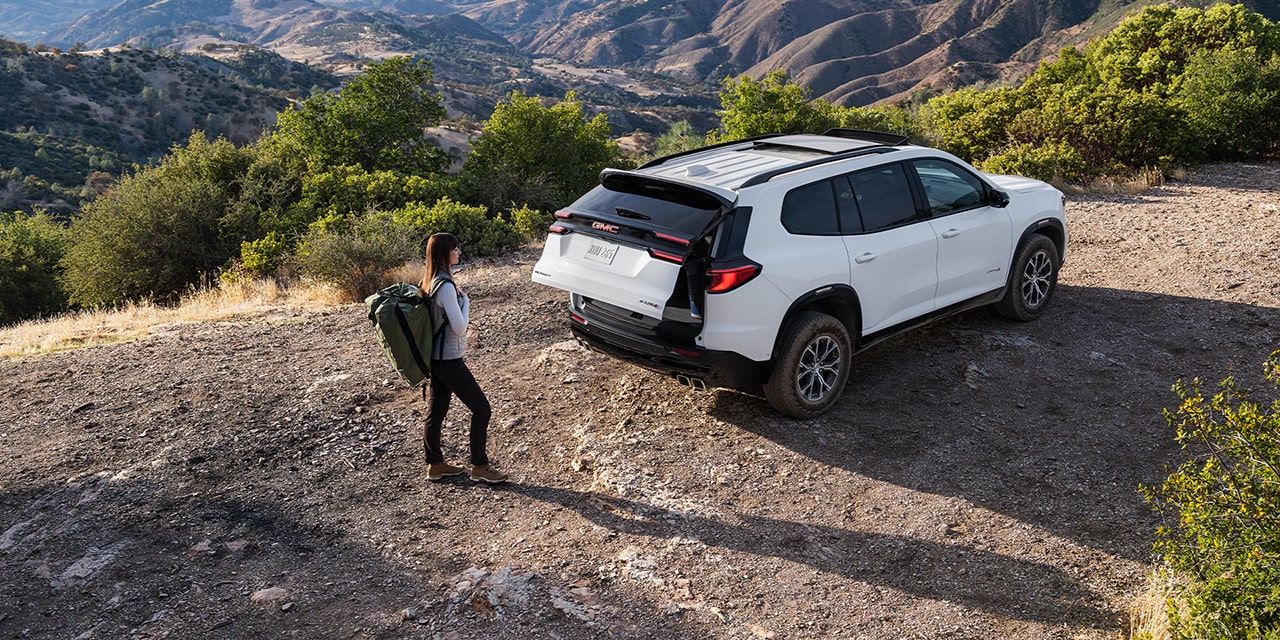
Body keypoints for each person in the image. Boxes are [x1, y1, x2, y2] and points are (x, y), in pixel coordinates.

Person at [420, 232, 508, 484]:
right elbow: (459, 327)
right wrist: (466, 302)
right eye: (455, 249)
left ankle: (435, 465)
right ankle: (479, 466)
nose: (459, 252)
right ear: (444, 254)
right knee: (482, 409)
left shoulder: (429, 281)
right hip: (448, 359)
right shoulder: (445, 286)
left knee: (435, 412)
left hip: (436, 359)